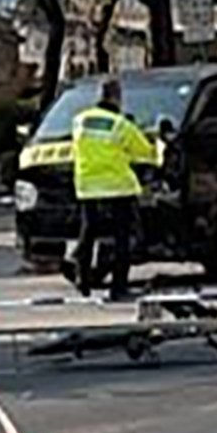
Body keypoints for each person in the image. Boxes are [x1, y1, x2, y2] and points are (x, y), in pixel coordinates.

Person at [71, 77, 153, 300]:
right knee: (121, 238)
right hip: (117, 187)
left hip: (87, 186)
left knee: (88, 233)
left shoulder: (80, 121)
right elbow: (144, 151)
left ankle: (83, 280)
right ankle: (118, 287)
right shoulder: (120, 125)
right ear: (116, 98)